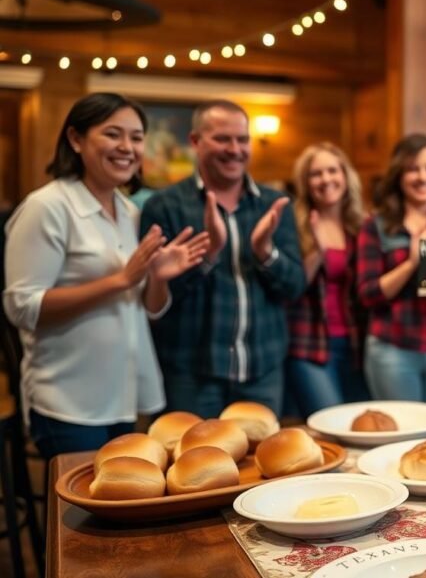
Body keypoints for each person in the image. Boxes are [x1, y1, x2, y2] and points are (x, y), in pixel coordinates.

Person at [3, 93, 209, 459]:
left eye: (136, 137)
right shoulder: (46, 207)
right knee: (76, 514)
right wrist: (120, 280)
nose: (127, 147)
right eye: (113, 134)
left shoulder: (130, 212)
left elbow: (149, 308)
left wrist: (158, 277)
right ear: (76, 139)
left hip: (126, 396)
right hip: (68, 401)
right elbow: (23, 307)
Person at [141, 100, 305, 418]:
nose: (235, 149)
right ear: (195, 142)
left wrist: (264, 253)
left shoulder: (274, 205)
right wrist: (209, 254)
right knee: (194, 464)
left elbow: (294, 287)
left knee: (261, 466)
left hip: (262, 370)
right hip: (191, 374)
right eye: (222, 139)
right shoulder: (165, 207)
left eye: (242, 140)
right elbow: (158, 305)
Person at [356, 134, 426, 406]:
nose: (423, 177)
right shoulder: (376, 226)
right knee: (401, 438)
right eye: (412, 169)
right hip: (394, 350)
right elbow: (368, 294)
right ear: (399, 175)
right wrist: (414, 262)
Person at [285, 143, 367, 416]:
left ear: (345, 176)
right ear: (305, 183)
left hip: (357, 346)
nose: (326, 179)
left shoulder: (361, 224)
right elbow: (288, 290)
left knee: (358, 426)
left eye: (333, 170)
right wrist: (317, 253)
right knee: (329, 423)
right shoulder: (293, 223)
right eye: (316, 174)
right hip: (310, 346)